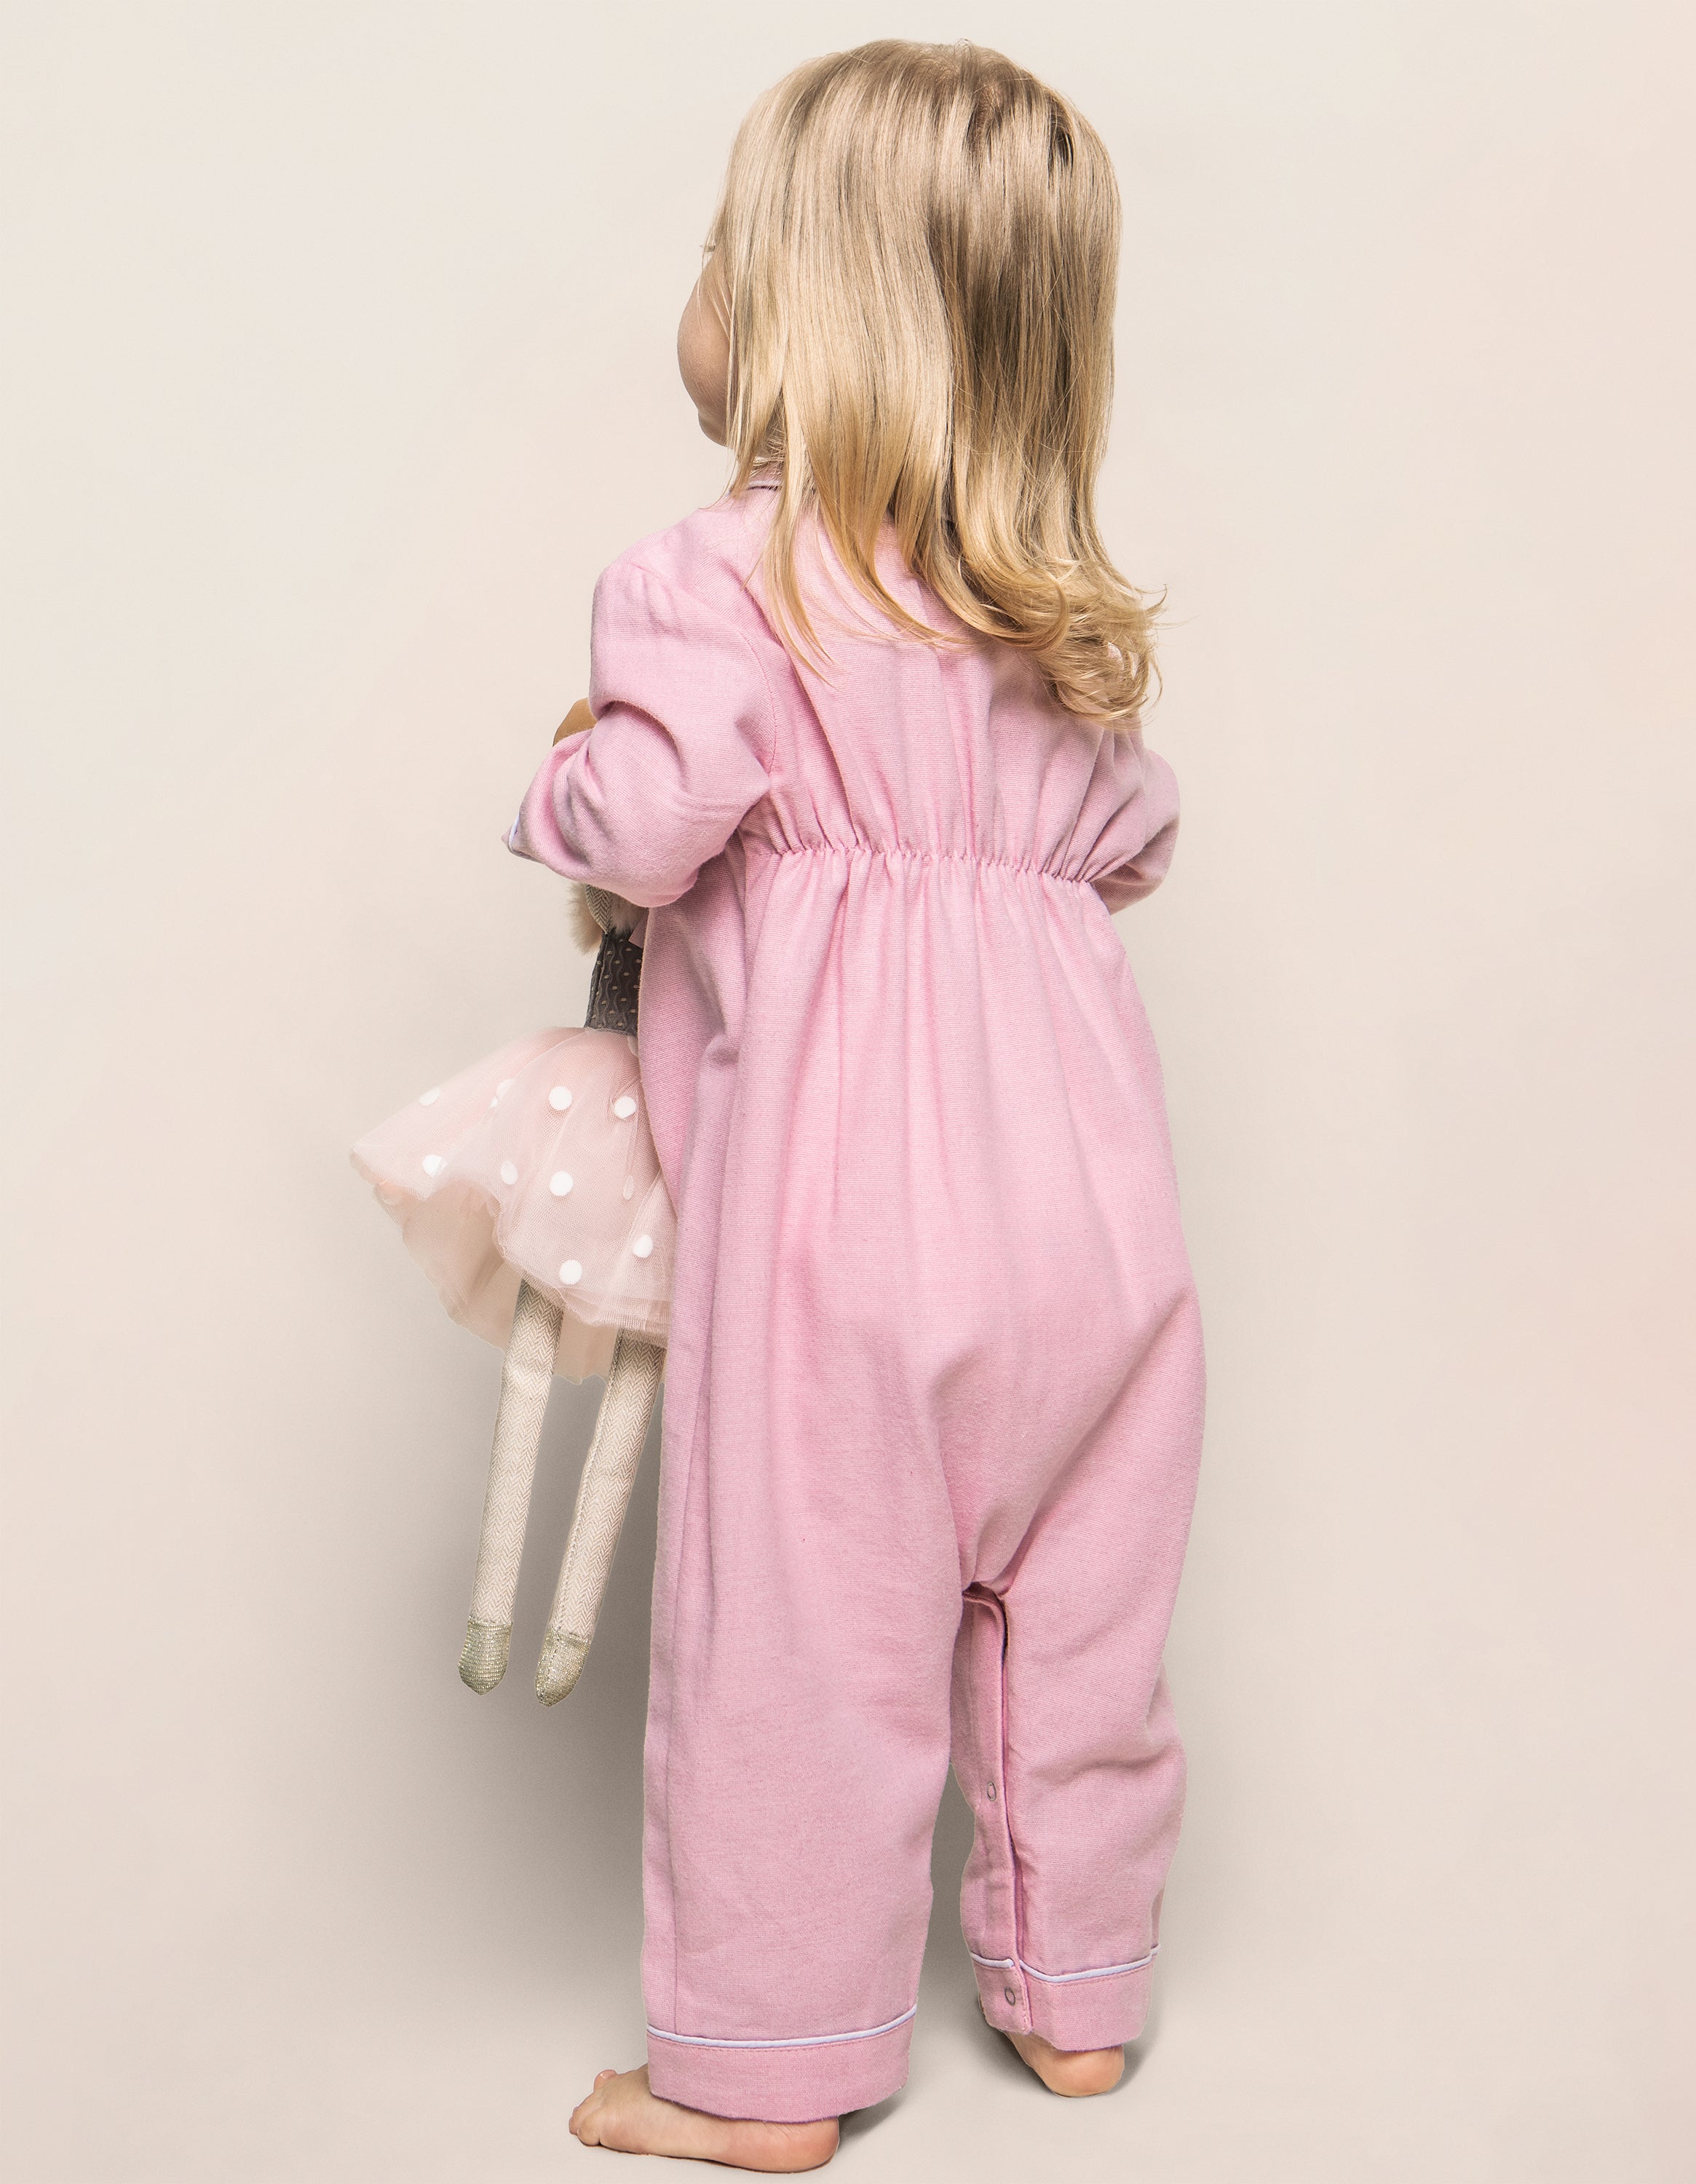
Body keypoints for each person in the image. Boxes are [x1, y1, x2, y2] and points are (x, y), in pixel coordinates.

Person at [509, 39, 1205, 2171]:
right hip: (1102, 1234)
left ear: (795, 313)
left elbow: (644, 817)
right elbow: (1138, 839)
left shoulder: (717, 577)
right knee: (1071, 1622)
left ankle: (767, 2068)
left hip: (838, 1238)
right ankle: (1077, 2004)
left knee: (797, 1649)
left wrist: (564, 769)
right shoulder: (1056, 631)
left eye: (725, 253)